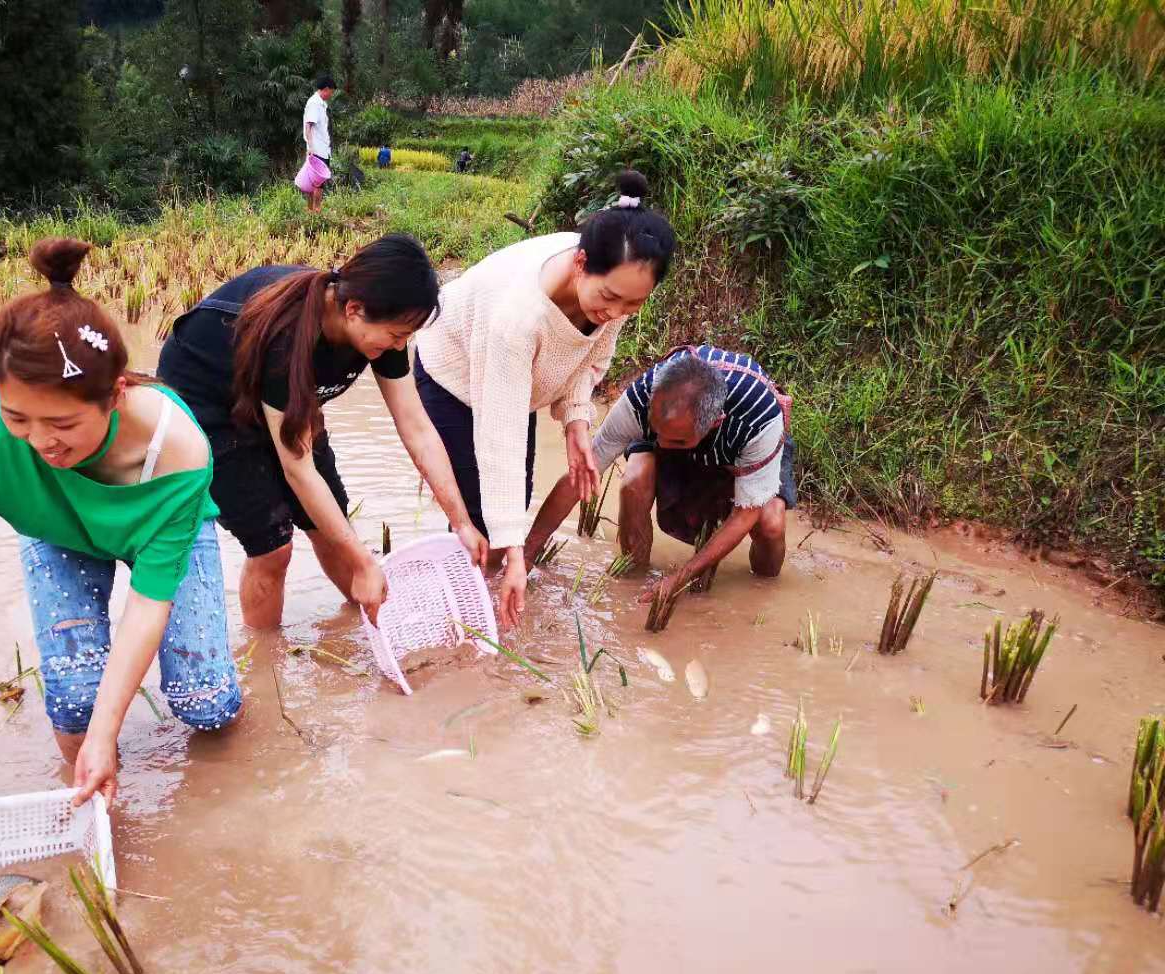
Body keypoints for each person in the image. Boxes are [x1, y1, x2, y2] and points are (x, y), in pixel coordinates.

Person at [0, 238, 241, 850]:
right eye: (18, 417)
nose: (40, 442)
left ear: (116, 393)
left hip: (158, 525)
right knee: (72, 698)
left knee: (206, 702)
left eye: (63, 423)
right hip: (59, 532)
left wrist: (109, 729)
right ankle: (96, 815)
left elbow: (147, 605)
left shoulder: (178, 448)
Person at [157, 234, 488, 630]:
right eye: (397, 336)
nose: (400, 345)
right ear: (353, 309)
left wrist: (463, 521)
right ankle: (267, 662)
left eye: (406, 337)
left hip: (282, 401)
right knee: (272, 544)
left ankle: (369, 622)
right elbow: (297, 469)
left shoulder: (379, 331)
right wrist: (364, 562)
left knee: (333, 525)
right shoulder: (287, 337)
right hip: (209, 401)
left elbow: (416, 427)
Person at [410, 170, 676, 629]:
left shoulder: (618, 281)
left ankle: (490, 597)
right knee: (481, 515)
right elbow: (501, 440)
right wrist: (515, 550)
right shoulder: (517, 318)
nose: (616, 314)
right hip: (455, 374)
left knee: (518, 496)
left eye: (632, 306)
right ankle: (462, 618)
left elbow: (592, 354)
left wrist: (576, 421)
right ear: (580, 263)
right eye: (610, 298)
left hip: (518, 382)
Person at [524, 345, 796, 597]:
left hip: (738, 448)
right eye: (658, 433)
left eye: (675, 441)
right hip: (676, 426)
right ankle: (633, 575)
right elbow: (583, 473)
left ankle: (763, 589)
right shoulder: (642, 397)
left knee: (770, 524)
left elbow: (744, 514)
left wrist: (679, 579)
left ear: (715, 423)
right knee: (633, 482)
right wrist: (527, 552)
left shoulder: (760, 420)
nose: (664, 445)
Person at [298, 74, 337, 213]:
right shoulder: (315, 103)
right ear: (326, 89)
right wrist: (311, 148)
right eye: (331, 92)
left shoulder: (320, 103)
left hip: (322, 149)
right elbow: (308, 126)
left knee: (315, 182)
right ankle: (316, 210)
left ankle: (312, 210)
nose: (331, 95)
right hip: (317, 150)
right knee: (318, 182)